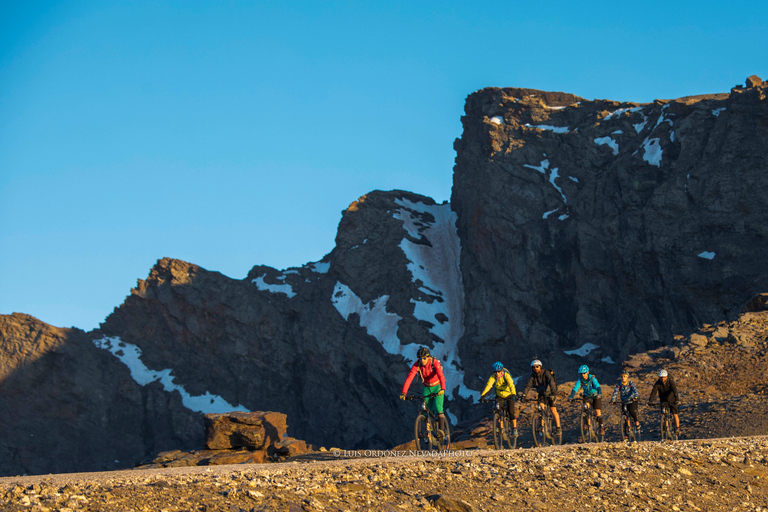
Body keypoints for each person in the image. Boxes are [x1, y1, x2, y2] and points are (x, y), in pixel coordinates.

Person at [400, 347, 447, 433]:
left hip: (438, 386)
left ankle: (441, 431)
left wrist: (443, 388)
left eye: (424, 358)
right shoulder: (417, 365)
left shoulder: (434, 362)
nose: (422, 360)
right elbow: (409, 378)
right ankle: (430, 431)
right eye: (420, 358)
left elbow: (441, 375)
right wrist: (404, 392)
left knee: (438, 406)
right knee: (426, 410)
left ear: (428, 357)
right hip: (427, 387)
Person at [521, 359, 561, 434]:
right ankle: (541, 427)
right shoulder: (533, 376)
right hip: (541, 394)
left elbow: (551, 381)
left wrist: (554, 393)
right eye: (534, 367)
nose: (535, 368)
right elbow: (528, 385)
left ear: (540, 367)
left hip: (550, 393)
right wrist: (524, 395)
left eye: (537, 367)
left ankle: (558, 428)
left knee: (553, 410)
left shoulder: (546, 373)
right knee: (540, 410)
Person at [480, 361, 518, 437]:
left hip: (509, 394)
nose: (497, 373)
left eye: (499, 371)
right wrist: (483, 396)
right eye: (495, 372)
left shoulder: (506, 375)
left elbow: (511, 385)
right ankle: (500, 427)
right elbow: (488, 386)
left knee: (511, 412)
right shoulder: (492, 377)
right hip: (499, 396)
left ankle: (514, 429)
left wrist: (514, 394)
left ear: (502, 371)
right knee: (497, 410)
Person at [568, 365, 605, 436]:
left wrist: (599, 393)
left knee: (597, 412)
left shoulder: (592, 378)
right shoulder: (580, 379)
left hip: (595, 395)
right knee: (585, 408)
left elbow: (597, 386)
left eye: (584, 373)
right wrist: (571, 397)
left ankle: (601, 427)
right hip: (587, 395)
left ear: (587, 372)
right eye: (581, 374)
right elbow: (575, 388)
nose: (583, 375)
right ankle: (586, 424)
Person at [648, 369, 680, 435]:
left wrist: (677, 399)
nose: (662, 379)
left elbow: (675, 390)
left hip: (672, 400)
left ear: (666, 377)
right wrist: (650, 401)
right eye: (661, 377)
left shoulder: (670, 382)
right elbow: (654, 391)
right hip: (663, 400)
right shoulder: (658, 383)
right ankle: (666, 429)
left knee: (675, 414)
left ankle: (677, 428)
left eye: (664, 377)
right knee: (664, 414)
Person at [610, 369, 641, 436]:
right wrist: (613, 400)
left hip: (632, 400)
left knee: (631, 410)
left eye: (624, 376)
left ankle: (636, 422)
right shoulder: (619, 384)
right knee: (625, 415)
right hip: (624, 401)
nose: (623, 378)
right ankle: (627, 431)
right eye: (622, 376)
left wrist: (635, 396)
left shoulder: (630, 383)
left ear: (627, 377)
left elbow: (635, 390)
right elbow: (615, 392)